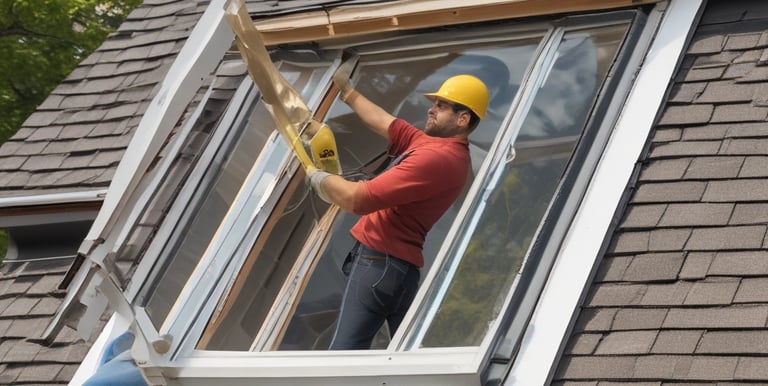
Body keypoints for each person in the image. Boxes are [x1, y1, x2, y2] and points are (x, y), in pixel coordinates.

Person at [306, 59, 490, 350]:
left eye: (441, 106)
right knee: (400, 360)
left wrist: (318, 178)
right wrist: (349, 92)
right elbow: (384, 121)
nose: (431, 109)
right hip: (396, 271)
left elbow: (359, 199)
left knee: (342, 356)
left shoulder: (437, 159)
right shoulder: (435, 146)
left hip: (379, 264)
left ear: (462, 119)